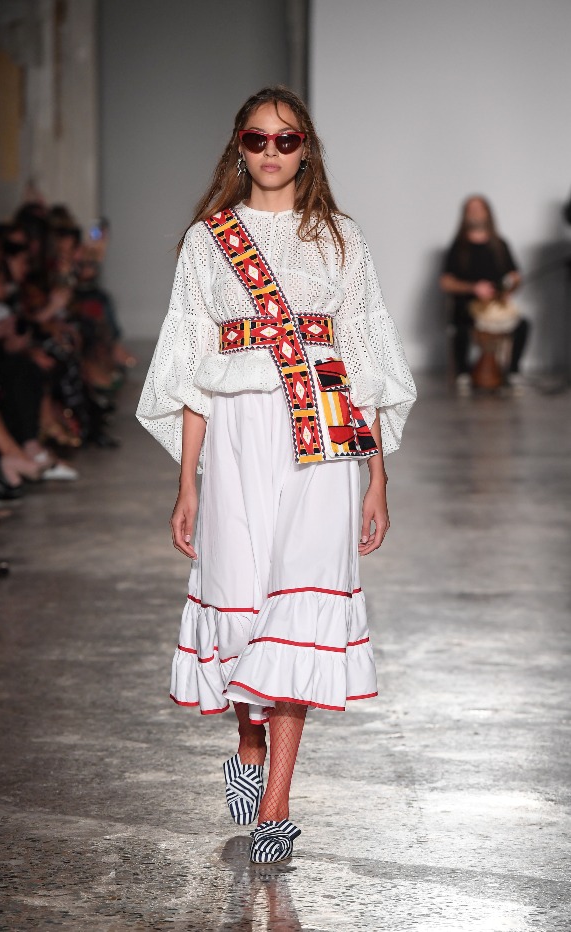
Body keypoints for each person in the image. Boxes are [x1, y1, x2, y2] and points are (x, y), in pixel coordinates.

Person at [137, 86, 416, 864]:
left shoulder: (340, 239)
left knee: (299, 608)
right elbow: (193, 371)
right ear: (239, 146)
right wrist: (187, 483)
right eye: (257, 139)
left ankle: (276, 804)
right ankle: (249, 741)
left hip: (322, 433)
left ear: (306, 149)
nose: (270, 151)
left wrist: (376, 479)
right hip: (236, 437)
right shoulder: (208, 241)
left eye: (286, 139)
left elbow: (361, 363)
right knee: (238, 607)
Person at [440, 195, 530, 395]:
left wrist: (509, 289)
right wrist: (474, 288)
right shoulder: (458, 246)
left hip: (495, 304)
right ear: (465, 215)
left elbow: (515, 276)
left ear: (487, 213)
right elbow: (446, 281)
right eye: (470, 209)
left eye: (479, 208)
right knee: (460, 324)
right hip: (468, 305)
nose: (475, 213)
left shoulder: (500, 244)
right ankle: (463, 373)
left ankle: (513, 372)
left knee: (523, 324)